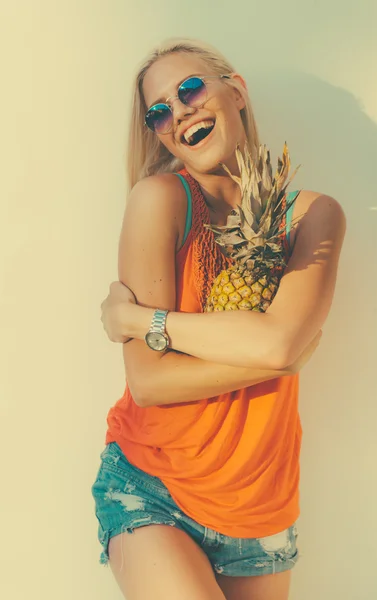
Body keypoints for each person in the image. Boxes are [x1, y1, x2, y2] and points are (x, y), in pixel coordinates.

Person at [92, 37, 346, 600]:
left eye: (190, 89)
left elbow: (279, 344)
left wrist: (140, 319)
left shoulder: (313, 215)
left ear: (236, 90)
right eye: (160, 111)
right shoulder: (159, 199)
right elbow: (150, 382)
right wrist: (275, 358)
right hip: (152, 485)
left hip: (260, 504)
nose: (179, 111)